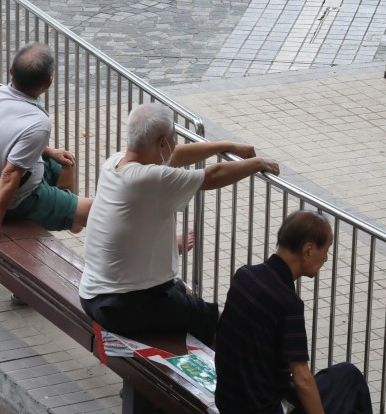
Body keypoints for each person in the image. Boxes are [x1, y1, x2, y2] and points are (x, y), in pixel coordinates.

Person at [79, 102, 279, 345]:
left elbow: (174, 155)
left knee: (181, 290)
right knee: (214, 319)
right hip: (122, 304)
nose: (175, 144)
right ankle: (227, 377)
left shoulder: (115, 163)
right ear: (162, 142)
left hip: (95, 293)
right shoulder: (149, 178)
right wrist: (257, 164)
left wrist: (227, 146)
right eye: (174, 137)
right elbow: (213, 175)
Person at [214, 210, 386, 414]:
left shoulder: (245, 275)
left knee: (329, 388)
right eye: (326, 250)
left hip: (228, 401)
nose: (327, 258)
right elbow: (301, 377)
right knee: (349, 377)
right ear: (308, 249)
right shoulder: (287, 303)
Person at [0, 43, 92, 249]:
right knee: (98, 210)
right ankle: (74, 215)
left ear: (11, 71)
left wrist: (48, 152)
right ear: (49, 81)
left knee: (66, 163)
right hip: (14, 199)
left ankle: (70, 215)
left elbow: (1, 136)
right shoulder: (38, 122)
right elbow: (10, 175)